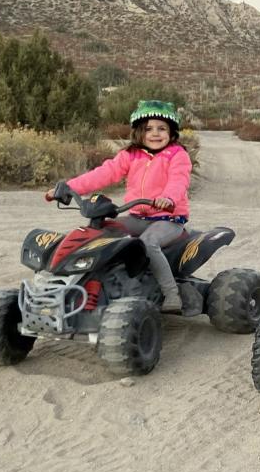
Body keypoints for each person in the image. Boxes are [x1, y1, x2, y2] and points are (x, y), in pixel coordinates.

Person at [45, 100, 198, 315]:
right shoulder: (131, 155)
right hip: (138, 216)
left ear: (171, 132)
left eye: (161, 128)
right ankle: (97, 283)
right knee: (102, 232)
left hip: (168, 218)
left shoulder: (177, 155)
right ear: (138, 132)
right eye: (148, 129)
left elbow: (179, 180)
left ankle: (171, 294)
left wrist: (168, 198)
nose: (155, 133)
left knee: (149, 242)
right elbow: (103, 174)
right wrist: (68, 188)